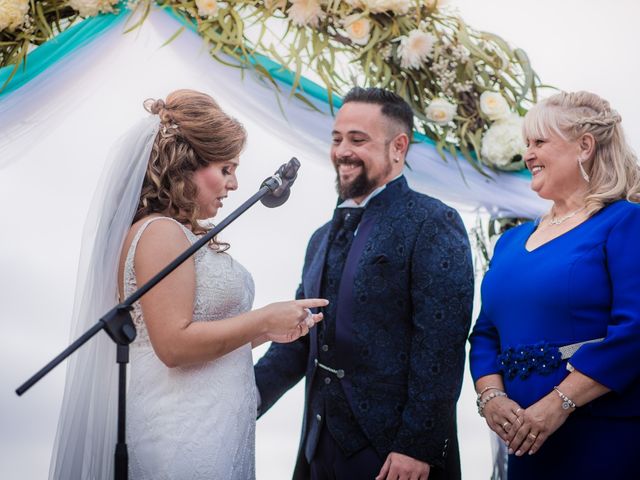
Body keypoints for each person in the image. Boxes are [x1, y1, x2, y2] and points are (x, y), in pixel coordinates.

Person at [49, 89, 327, 479]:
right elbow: (174, 345)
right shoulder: (160, 233)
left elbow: (203, 335)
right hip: (180, 437)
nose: (233, 184)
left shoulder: (180, 234)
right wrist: (262, 319)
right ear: (185, 165)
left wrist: (271, 330)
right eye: (226, 169)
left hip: (212, 427)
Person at [254, 87, 474, 480]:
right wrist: (241, 404)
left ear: (398, 147)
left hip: (393, 454)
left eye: (358, 140)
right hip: (319, 445)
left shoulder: (432, 221)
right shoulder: (320, 237)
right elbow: (300, 339)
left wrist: (416, 445)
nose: (342, 151)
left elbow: (440, 344)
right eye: (337, 139)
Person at [469, 91, 640, 479]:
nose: (528, 154)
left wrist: (557, 405)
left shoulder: (626, 221)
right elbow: (484, 334)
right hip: (525, 443)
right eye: (526, 143)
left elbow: (635, 330)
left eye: (539, 142)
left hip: (603, 436)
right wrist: (491, 398)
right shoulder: (509, 242)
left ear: (584, 146)